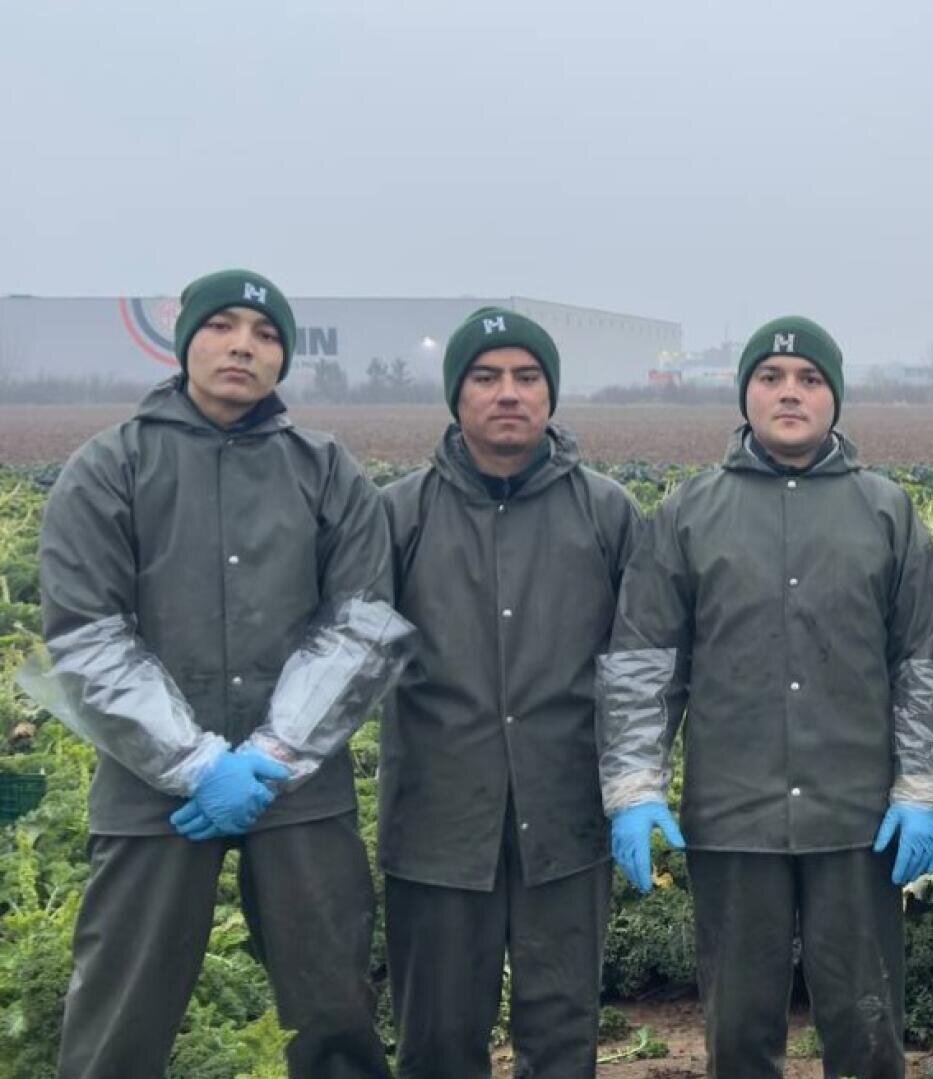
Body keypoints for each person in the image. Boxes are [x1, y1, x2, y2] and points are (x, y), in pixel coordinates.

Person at [23, 269, 409, 1078]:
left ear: (284, 358)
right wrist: (195, 762)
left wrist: (271, 757)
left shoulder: (326, 470)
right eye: (223, 326)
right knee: (121, 1007)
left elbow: (360, 624)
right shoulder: (109, 467)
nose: (243, 345)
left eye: (266, 334)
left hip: (298, 790)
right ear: (186, 339)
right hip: (149, 788)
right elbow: (88, 635)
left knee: (334, 1004)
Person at [596, 316, 933, 1078]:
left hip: (856, 822)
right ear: (746, 393)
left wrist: (920, 788)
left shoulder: (887, 512)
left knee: (866, 1023)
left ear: (835, 398)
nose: (790, 393)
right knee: (739, 1030)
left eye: (810, 380)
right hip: (732, 819)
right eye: (771, 378)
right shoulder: (689, 512)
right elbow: (643, 666)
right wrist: (634, 786)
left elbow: (919, 664)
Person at [379, 307, 644, 1076]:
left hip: (565, 817)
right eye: (486, 377)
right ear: (456, 396)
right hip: (436, 821)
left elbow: (639, 663)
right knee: (435, 1037)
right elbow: (347, 654)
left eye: (527, 377)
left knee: (562, 1037)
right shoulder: (400, 514)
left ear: (550, 395)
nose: (508, 394)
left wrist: (634, 788)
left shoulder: (606, 513)